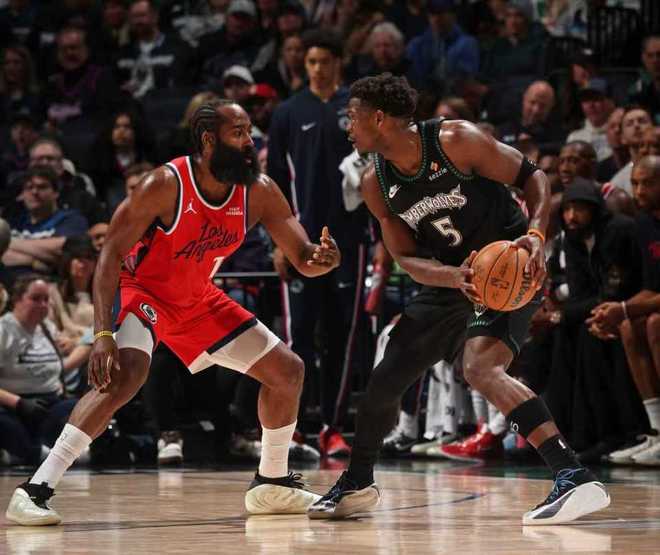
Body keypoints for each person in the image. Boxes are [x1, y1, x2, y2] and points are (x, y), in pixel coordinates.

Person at [5, 99, 340, 526]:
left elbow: (302, 257)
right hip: (143, 291)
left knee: (288, 371)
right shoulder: (164, 184)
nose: (249, 142)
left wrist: (322, 260)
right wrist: (103, 334)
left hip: (197, 298)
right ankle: (34, 489)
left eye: (249, 132)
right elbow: (109, 255)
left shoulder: (259, 190)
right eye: (238, 133)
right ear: (209, 140)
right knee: (125, 377)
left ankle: (272, 483)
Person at [307, 74, 609, 525]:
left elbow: (533, 175)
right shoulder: (375, 182)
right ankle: (357, 483)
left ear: (379, 118)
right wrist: (451, 276)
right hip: (453, 279)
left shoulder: (455, 140)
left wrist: (535, 234)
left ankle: (573, 475)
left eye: (352, 117)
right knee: (384, 381)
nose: (347, 128)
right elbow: (405, 257)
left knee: (481, 368)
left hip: (509, 268)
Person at [267, 29, 369, 457]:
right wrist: (278, 241)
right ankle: (290, 427)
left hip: (351, 238)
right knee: (298, 339)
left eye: (325, 61)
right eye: (311, 62)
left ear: (338, 63)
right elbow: (271, 183)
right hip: (300, 241)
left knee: (343, 335)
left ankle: (333, 427)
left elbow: (377, 171)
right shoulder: (288, 112)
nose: (318, 69)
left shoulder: (358, 109)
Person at [588, 155, 660, 466]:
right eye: (635, 183)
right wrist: (609, 312)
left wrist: (625, 308)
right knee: (629, 327)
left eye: (648, 183)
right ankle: (656, 431)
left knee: (654, 324)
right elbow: (652, 287)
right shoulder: (645, 223)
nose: (639, 191)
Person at [0, 275, 79, 466]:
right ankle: (40, 454)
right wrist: (18, 403)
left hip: (50, 404)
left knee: (83, 407)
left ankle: (30, 453)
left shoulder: (47, 328)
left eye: (46, 299)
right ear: (17, 300)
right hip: (15, 405)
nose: (43, 305)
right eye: (35, 299)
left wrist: (74, 343)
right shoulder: (4, 330)